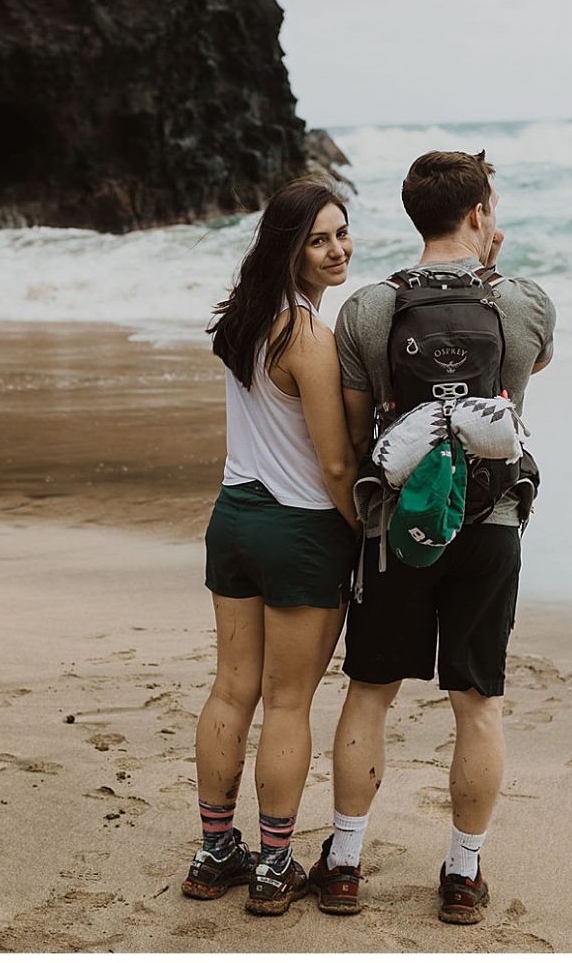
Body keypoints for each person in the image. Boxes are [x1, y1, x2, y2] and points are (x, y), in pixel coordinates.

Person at [313, 149, 554, 924]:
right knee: (477, 702)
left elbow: (357, 433)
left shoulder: (367, 309)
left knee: (371, 692)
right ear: (481, 213)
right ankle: (460, 874)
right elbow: (521, 389)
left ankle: (345, 863)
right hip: (492, 521)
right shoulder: (523, 302)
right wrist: (494, 270)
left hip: (396, 527)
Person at [183, 178, 362, 916]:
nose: (337, 249)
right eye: (318, 239)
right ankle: (274, 864)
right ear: (288, 249)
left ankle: (217, 850)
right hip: (297, 530)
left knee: (231, 688)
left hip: (235, 520)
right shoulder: (308, 336)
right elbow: (335, 464)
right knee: (287, 702)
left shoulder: (244, 320)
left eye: (342, 233)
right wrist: (366, 532)